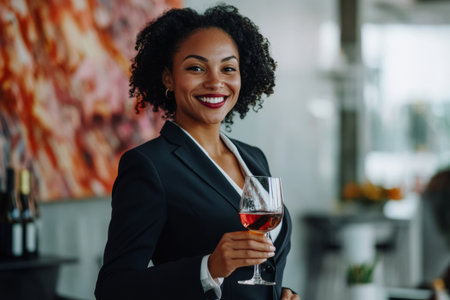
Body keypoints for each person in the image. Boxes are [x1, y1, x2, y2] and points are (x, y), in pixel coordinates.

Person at [95, 4, 299, 300]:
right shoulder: (148, 166)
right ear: (168, 78)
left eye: (228, 68)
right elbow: (114, 289)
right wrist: (209, 267)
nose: (215, 81)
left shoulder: (254, 157)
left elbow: (264, 269)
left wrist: (282, 293)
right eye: (196, 68)